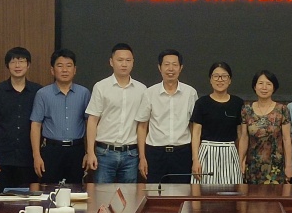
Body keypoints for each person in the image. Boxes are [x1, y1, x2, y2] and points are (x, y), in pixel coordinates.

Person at [0, 47, 41, 197]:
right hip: (1, 160)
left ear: (28, 65)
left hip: (28, 159)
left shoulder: (38, 92)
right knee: (0, 203)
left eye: (21, 61)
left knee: (28, 203)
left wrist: (38, 156)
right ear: (7, 65)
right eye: (13, 62)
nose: (17, 65)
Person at [85, 43, 146, 183]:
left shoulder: (142, 89)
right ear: (111, 62)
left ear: (133, 62)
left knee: (129, 195)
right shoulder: (101, 87)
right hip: (104, 153)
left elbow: (142, 125)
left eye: (128, 60)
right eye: (120, 60)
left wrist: (142, 157)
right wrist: (90, 152)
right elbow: (92, 121)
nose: (124, 64)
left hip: (131, 154)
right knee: (102, 194)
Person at [136, 49, 198, 184]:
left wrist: (195, 158)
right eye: (166, 64)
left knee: (182, 193)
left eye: (175, 65)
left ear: (181, 68)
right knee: (154, 193)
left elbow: (194, 127)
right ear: (159, 67)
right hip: (155, 153)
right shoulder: (150, 93)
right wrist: (142, 157)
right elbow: (142, 126)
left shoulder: (190, 93)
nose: (171, 69)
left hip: (182, 152)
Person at [30, 48, 91, 184]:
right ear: (52, 70)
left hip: (77, 150)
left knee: (76, 190)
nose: (64, 70)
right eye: (60, 66)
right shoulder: (43, 94)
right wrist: (37, 156)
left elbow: (89, 124)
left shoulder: (84, 93)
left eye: (69, 66)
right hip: (51, 151)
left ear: (75, 70)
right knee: (49, 189)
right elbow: (36, 125)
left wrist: (89, 152)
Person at [190, 62, 244, 184]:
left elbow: (240, 134)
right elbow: (196, 134)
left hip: (230, 153)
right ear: (210, 79)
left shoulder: (237, 103)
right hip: (206, 152)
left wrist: (241, 159)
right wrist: (195, 160)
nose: (220, 80)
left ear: (230, 80)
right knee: (204, 190)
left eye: (224, 76)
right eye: (216, 76)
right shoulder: (202, 103)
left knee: (231, 190)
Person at [239, 70, 292, 184]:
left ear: (274, 88)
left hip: (275, 166)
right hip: (252, 166)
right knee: (252, 195)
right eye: (260, 83)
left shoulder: (282, 109)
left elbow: (286, 139)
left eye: (268, 84)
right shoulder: (246, 110)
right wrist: (241, 161)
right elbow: (244, 137)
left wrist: (288, 165)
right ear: (255, 87)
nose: (264, 87)